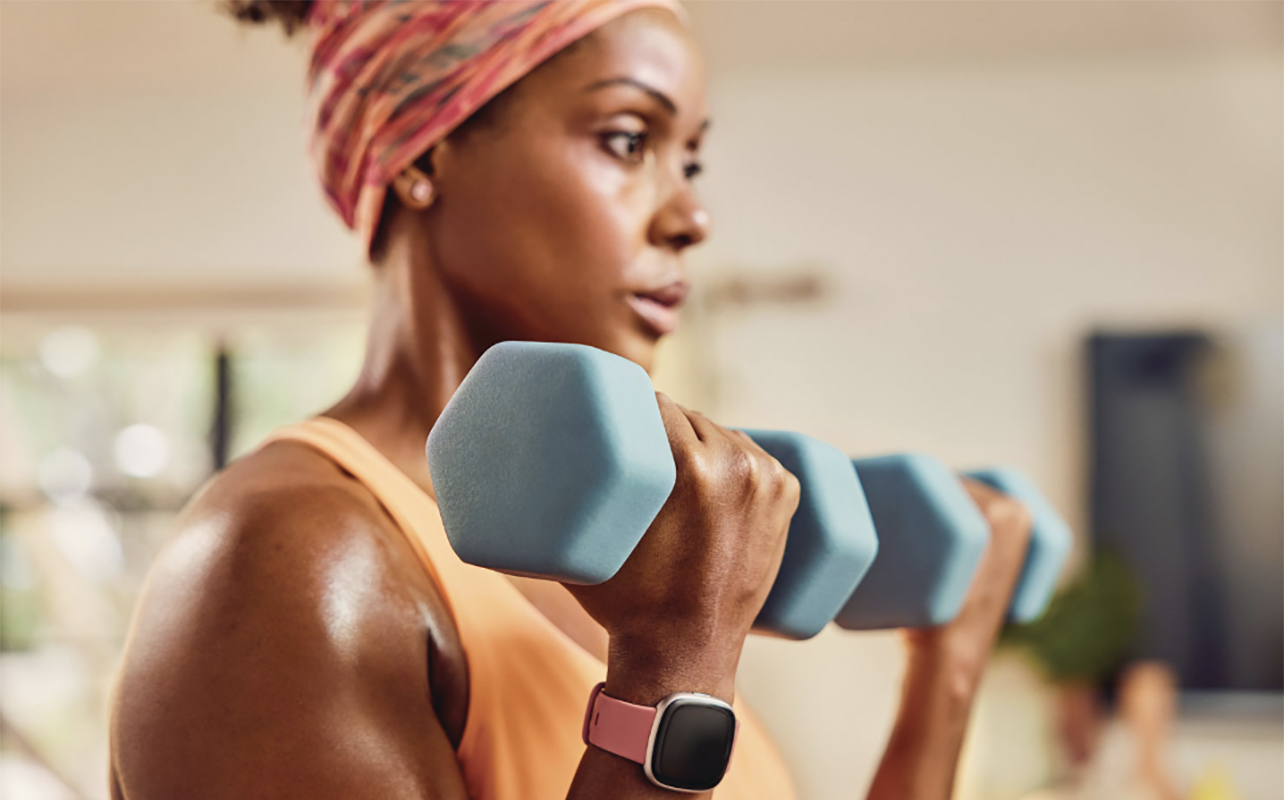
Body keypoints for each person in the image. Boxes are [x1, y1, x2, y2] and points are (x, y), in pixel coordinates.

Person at [107, 2, 1034, 798]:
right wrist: (672, 671)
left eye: (692, 162)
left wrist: (945, 672)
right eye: (629, 140)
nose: (690, 216)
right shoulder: (291, 560)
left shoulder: (632, 564)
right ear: (422, 150)